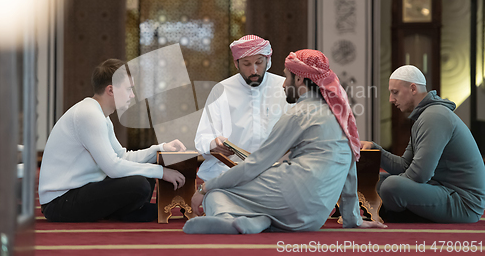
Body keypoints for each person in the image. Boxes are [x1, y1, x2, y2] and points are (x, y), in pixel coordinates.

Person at [183, 49, 387, 234]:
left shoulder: (300, 113)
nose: (282, 83)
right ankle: (256, 222)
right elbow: (350, 169)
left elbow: (255, 164)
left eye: (286, 76)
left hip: (292, 195)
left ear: (299, 79)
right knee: (253, 192)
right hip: (315, 217)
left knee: (218, 192)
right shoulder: (340, 113)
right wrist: (353, 219)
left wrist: (205, 188)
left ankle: (224, 218)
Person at [38, 59, 187, 222]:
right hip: (60, 202)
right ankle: (126, 213)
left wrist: (161, 148)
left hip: (78, 191)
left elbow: (123, 157)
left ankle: (126, 213)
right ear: (111, 90)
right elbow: (113, 168)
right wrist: (162, 172)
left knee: (144, 175)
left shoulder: (100, 115)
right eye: (129, 89)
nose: (132, 95)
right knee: (140, 184)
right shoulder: (89, 115)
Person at [362, 65, 485, 223]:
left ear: (413, 88)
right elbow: (406, 165)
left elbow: (419, 175)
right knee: (379, 182)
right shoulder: (426, 116)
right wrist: (375, 149)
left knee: (390, 186)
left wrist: (391, 189)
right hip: (444, 191)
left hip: (463, 204)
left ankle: (394, 212)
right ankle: (394, 209)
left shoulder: (434, 117)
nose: (391, 99)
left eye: (395, 92)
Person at [195, 35, 291, 181]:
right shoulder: (221, 90)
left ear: (268, 60)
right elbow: (202, 137)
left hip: (276, 172)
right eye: (246, 64)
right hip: (230, 170)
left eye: (259, 62)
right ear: (236, 63)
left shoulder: (285, 87)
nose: (254, 70)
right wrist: (214, 144)